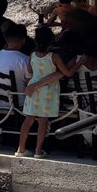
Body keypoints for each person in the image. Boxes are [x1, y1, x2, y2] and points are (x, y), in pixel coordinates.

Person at [17, 26, 76, 158]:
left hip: (34, 86)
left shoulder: (32, 55)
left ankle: (21, 148)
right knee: (43, 121)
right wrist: (78, 63)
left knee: (28, 118)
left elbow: (30, 70)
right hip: (48, 89)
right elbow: (67, 73)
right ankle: (38, 151)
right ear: (51, 41)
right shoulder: (54, 56)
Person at [0, 28, 33, 111]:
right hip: (20, 105)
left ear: (6, 40)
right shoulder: (25, 60)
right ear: (23, 40)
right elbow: (31, 83)